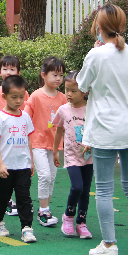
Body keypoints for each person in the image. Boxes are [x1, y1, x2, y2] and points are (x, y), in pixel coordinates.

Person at [77, 3, 128, 255]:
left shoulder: (96, 55)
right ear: (121, 27)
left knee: (103, 188)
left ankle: (109, 245)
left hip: (105, 129)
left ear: (99, 28)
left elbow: (82, 85)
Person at [0, 75, 37, 243]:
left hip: (22, 166)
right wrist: (0, 164)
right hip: (4, 167)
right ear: (4, 96)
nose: (18, 101)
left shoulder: (25, 117)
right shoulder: (0, 118)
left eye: (21, 97)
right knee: (2, 197)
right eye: (13, 97)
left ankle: (26, 227)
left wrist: (31, 161)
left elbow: (29, 140)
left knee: (24, 197)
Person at [24, 56, 68, 227]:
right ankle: (43, 212)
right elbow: (26, 119)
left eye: (61, 75)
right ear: (44, 75)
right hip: (37, 143)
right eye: (55, 75)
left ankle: (46, 208)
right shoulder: (35, 96)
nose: (58, 78)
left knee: (51, 178)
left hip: (55, 145)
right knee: (45, 176)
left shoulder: (63, 98)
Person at [0, 55, 29, 217]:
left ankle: (11, 199)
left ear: (19, 72)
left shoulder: (24, 93)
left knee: (16, 167)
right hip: (0, 138)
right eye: (5, 69)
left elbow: (25, 114)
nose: (8, 72)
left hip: (17, 139)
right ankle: (5, 201)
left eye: (12, 69)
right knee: (1, 168)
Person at [52, 71, 93, 239]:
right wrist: (55, 151)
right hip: (71, 156)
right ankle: (68, 217)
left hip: (89, 156)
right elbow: (59, 130)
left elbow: (97, 130)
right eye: (67, 89)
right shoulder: (63, 110)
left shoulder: (92, 108)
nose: (69, 94)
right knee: (77, 187)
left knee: (85, 191)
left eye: (73, 90)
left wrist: (92, 144)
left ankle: (81, 222)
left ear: (85, 91)